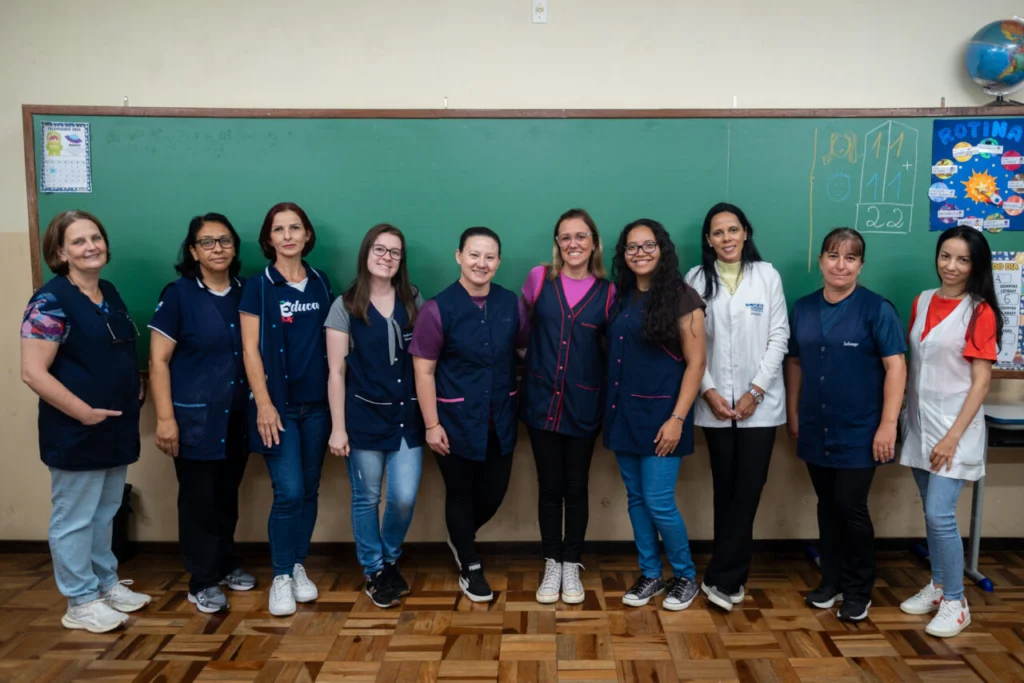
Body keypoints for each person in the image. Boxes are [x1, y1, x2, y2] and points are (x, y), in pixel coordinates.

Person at [20, 210, 151, 633]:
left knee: (105, 511)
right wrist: (83, 412)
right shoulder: (50, 301)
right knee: (74, 517)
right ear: (60, 253)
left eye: (96, 237)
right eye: (78, 241)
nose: (91, 246)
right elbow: (33, 372)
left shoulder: (107, 291)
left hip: (115, 425)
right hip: (76, 429)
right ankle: (79, 600)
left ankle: (105, 585)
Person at [785, 227, 907, 623]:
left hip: (861, 429)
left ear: (861, 265)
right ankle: (831, 581)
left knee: (851, 506)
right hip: (815, 423)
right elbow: (795, 361)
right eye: (833, 256)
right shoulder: (803, 308)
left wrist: (888, 424)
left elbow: (896, 367)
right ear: (820, 261)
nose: (841, 265)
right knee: (827, 505)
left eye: (850, 258)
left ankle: (858, 590)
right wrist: (793, 412)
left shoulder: (877, 309)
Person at [410, 226, 529, 603]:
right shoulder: (436, 308)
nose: (482, 263)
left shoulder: (512, 304)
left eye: (490, 257)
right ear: (458, 256)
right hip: (454, 421)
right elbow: (424, 371)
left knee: (494, 492)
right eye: (474, 255)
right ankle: (470, 564)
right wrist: (432, 424)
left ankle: (459, 536)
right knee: (459, 493)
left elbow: (524, 351)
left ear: (499, 262)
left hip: (501, 417)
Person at [684, 203, 789, 612]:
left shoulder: (767, 276)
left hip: (759, 406)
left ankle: (722, 576)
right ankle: (731, 579)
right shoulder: (695, 279)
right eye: (718, 232)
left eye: (733, 230)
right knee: (724, 490)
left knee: (749, 489)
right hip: (713, 403)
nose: (726, 238)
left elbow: (779, 336)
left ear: (746, 232)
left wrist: (755, 392)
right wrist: (708, 391)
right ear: (708, 240)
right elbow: (690, 343)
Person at [148, 213, 254, 614]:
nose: (217, 249)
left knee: (226, 495)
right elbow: (158, 361)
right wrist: (165, 418)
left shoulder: (247, 291)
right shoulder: (179, 294)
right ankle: (202, 580)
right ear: (193, 251)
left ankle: (224, 565)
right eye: (207, 242)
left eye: (225, 240)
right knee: (199, 501)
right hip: (194, 418)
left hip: (237, 415)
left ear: (235, 246)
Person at [898, 226, 1000, 638]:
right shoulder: (922, 300)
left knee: (941, 514)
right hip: (920, 423)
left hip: (955, 430)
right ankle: (939, 586)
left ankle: (957, 603)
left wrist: (952, 437)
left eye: (963, 260)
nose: (951, 266)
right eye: (945, 256)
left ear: (976, 265)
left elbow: (981, 382)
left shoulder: (980, 311)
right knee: (930, 510)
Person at [605, 219, 706, 612]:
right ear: (623, 254)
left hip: (664, 417)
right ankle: (650, 573)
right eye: (632, 247)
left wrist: (677, 419)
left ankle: (685, 575)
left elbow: (696, 364)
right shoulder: (622, 296)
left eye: (648, 245)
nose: (640, 253)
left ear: (662, 250)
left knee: (659, 500)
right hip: (623, 412)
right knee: (636, 498)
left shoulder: (683, 298)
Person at [240, 202, 333, 617]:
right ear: (269, 239)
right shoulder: (258, 287)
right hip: (278, 410)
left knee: (309, 489)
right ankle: (280, 575)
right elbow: (250, 350)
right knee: (289, 491)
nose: (288, 235)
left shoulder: (321, 282)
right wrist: (264, 404)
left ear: (307, 234)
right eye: (279, 229)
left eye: (296, 227)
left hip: (318, 407)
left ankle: (297, 566)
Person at [325, 224, 425, 609]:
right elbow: (336, 372)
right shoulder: (345, 306)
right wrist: (338, 429)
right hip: (363, 419)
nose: (387, 257)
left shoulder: (414, 299)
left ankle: (389, 559)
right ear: (366, 253)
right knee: (366, 498)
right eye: (379, 249)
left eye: (395, 252)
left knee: (403, 498)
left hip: (407, 419)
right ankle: (374, 570)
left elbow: (425, 359)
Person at [520, 208, 614, 605]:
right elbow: (523, 331)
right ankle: (552, 562)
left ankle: (571, 562)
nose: (573, 244)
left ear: (594, 242)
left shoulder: (609, 292)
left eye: (581, 236)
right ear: (557, 244)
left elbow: (609, 350)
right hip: (541, 402)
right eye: (565, 237)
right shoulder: (539, 279)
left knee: (576, 487)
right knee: (549, 486)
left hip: (584, 404)